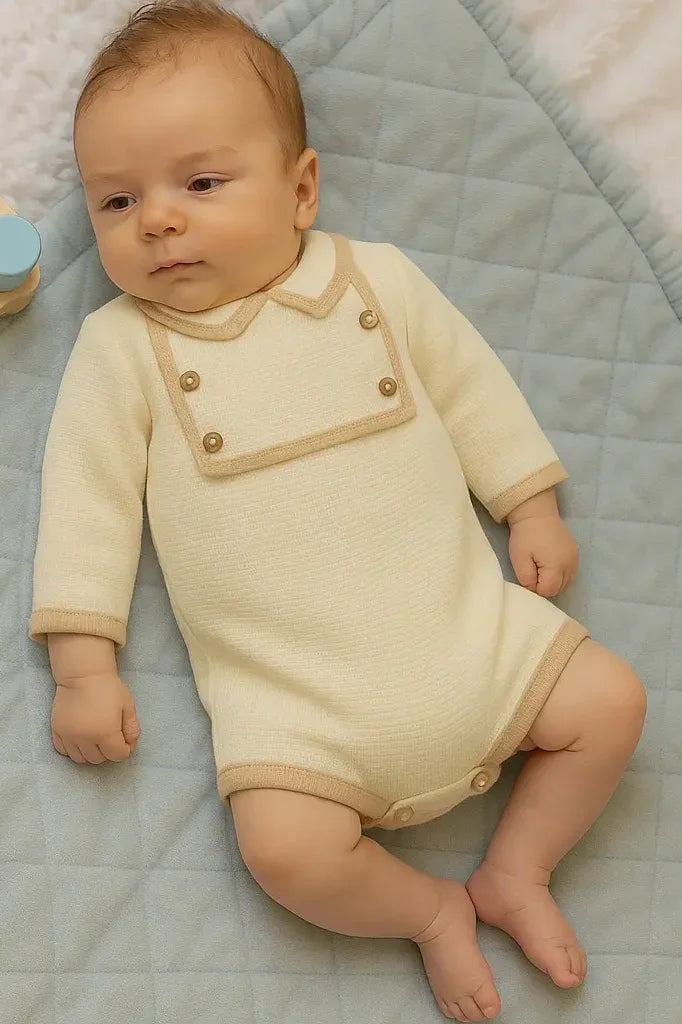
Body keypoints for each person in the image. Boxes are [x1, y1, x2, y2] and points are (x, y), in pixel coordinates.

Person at [29, 2, 647, 1020]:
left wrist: (529, 505)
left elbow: (471, 388)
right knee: (282, 849)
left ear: (302, 189)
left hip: (474, 645)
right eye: (114, 202)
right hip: (300, 717)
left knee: (609, 702)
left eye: (201, 182)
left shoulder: (380, 282)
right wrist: (81, 665)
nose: (157, 220)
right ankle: (428, 913)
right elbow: (86, 503)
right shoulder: (122, 348)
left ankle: (517, 867)